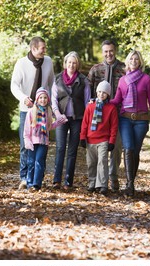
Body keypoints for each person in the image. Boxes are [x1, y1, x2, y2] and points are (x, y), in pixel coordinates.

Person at [110, 50, 150, 196]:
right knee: (128, 149)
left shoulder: (146, 79)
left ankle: (131, 182)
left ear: (140, 62)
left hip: (141, 121)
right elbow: (117, 100)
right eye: (131, 58)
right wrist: (104, 102)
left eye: (136, 59)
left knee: (135, 152)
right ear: (127, 61)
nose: (134, 61)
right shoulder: (123, 80)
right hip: (124, 119)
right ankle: (130, 185)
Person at [11, 36, 54, 190]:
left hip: (43, 109)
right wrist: (24, 99)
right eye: (42, 48)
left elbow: (52, 83)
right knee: (26, 145)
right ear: (33, 48)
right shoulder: (21, 63)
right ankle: (24, 177)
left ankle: (37, 180)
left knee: (42, 144)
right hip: (26, 110)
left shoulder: (48, 61)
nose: (45, 50)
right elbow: (14, 85)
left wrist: (52, 105)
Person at [88, 39, 125, 193]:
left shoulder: (124, 68)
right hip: (99, 117)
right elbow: (88, 91)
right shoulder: (95, 70)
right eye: (105, 51)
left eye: (111, 51)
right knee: (98, 150)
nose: (108, 54)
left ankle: (113, 176)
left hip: (118, 114)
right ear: (102, 52)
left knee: (116, 147)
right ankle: (97, 181)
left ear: (115, 50)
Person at [52, 51, 91, 191]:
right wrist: (57, 114)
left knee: (72, 150)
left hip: (77, 119)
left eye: (74, 63)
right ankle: (56, 180)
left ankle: (68, 181)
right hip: (61, 118)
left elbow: (87, 102)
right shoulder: (57, 79)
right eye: (69, 62)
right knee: (60, 148)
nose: (71, 65)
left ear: (77, 64)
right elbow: (54, 100)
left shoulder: (83, 80)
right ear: (65, 63)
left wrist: (86, 121)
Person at [24, 87, 67, 191]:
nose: (43, 100)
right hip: (32, 142)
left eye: (45, 98)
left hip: (43, 142)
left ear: (48, 99)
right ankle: (29, 183)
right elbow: (27, 128)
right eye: (40, 98)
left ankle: (36, 184)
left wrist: (59, 122)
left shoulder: (48, 112)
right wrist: (27, 140)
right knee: (31, 162)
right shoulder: (31, 112)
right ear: (37, 99)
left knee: (39, 161)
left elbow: (49, 127)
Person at [80, 80, 118, 195]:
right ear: (96, 92)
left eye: (104, 93)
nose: (101, 94)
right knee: (91, 163)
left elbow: (114, 127)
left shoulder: (111, 108)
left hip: (104, 140)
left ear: (108, 95)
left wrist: (112, 141)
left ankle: (102, 185)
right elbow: (85, 123)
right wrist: (82, 137)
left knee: (102, 162)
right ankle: (92, 183)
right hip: (90, 140)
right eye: (99, 92)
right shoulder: (90, 107)